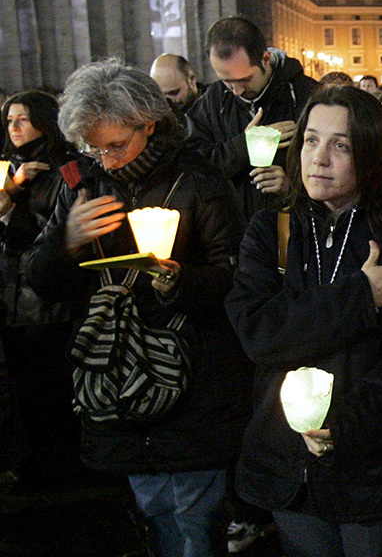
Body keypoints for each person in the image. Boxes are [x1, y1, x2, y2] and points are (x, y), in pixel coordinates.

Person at [26, 60, 251, 557]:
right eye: (92, 147)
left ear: (148, 122)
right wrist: (66, 241)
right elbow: (42, 282)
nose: (103, 159)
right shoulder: (80, 183)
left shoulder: (199, 178)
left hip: (194, 375)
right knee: (152, 511)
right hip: (117, 375)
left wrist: (176, 280)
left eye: (114, 145)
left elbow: (234, 278)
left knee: (197, 516)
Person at [224, 85, 382, 557]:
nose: (318, 158)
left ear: (370, 156)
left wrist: (349, 423)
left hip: (372, 472)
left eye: (340, 145)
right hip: (288, 469)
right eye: (310, 140)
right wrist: (361, 297)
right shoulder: (272, 231)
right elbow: (258, 334)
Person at [0, 91, 83, 487]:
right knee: (23, 384)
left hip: (46, 299)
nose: (14, 128)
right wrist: (12, 190)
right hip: (12, 295)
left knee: (49, 383)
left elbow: (57, 229)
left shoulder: (64, 167)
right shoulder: (10, 168)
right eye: (10, 120)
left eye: (23, 119)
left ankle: (57, 463)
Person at [186, 16, 318, 221]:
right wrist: (242, 146)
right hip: (233, 230)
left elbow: (336, 171)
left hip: (294, 228)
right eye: (226, 81)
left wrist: (292, 186)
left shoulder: (307, 95)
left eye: (244, 80)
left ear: (265, 59)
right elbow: (192, 165)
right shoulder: (214, 99)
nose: (236, 91)